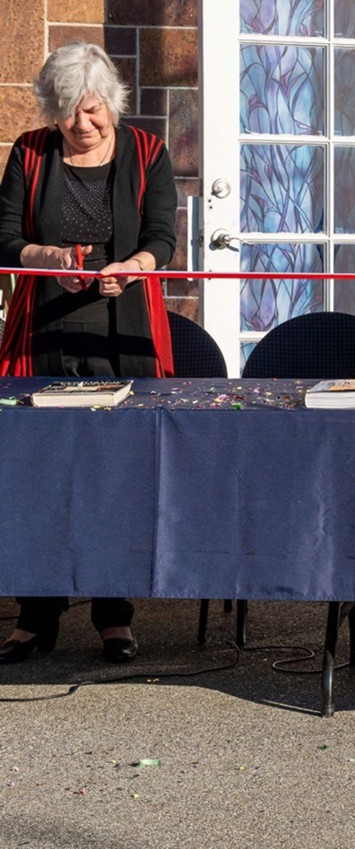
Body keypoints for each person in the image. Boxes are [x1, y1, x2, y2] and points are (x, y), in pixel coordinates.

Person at [0, 42, 177, 664]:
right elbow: (4, 237)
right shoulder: (29, 151)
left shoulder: (149, 151)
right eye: (69, 112)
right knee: (36, 471)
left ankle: (114, 617)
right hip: (43, 329)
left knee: (117, 472)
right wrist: (48, 260)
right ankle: (34, 616)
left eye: (93, 110)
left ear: (113, 104)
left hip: (122, 330)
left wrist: (132, 267)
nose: (82, 124)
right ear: (51, 111)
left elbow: (162, 236)